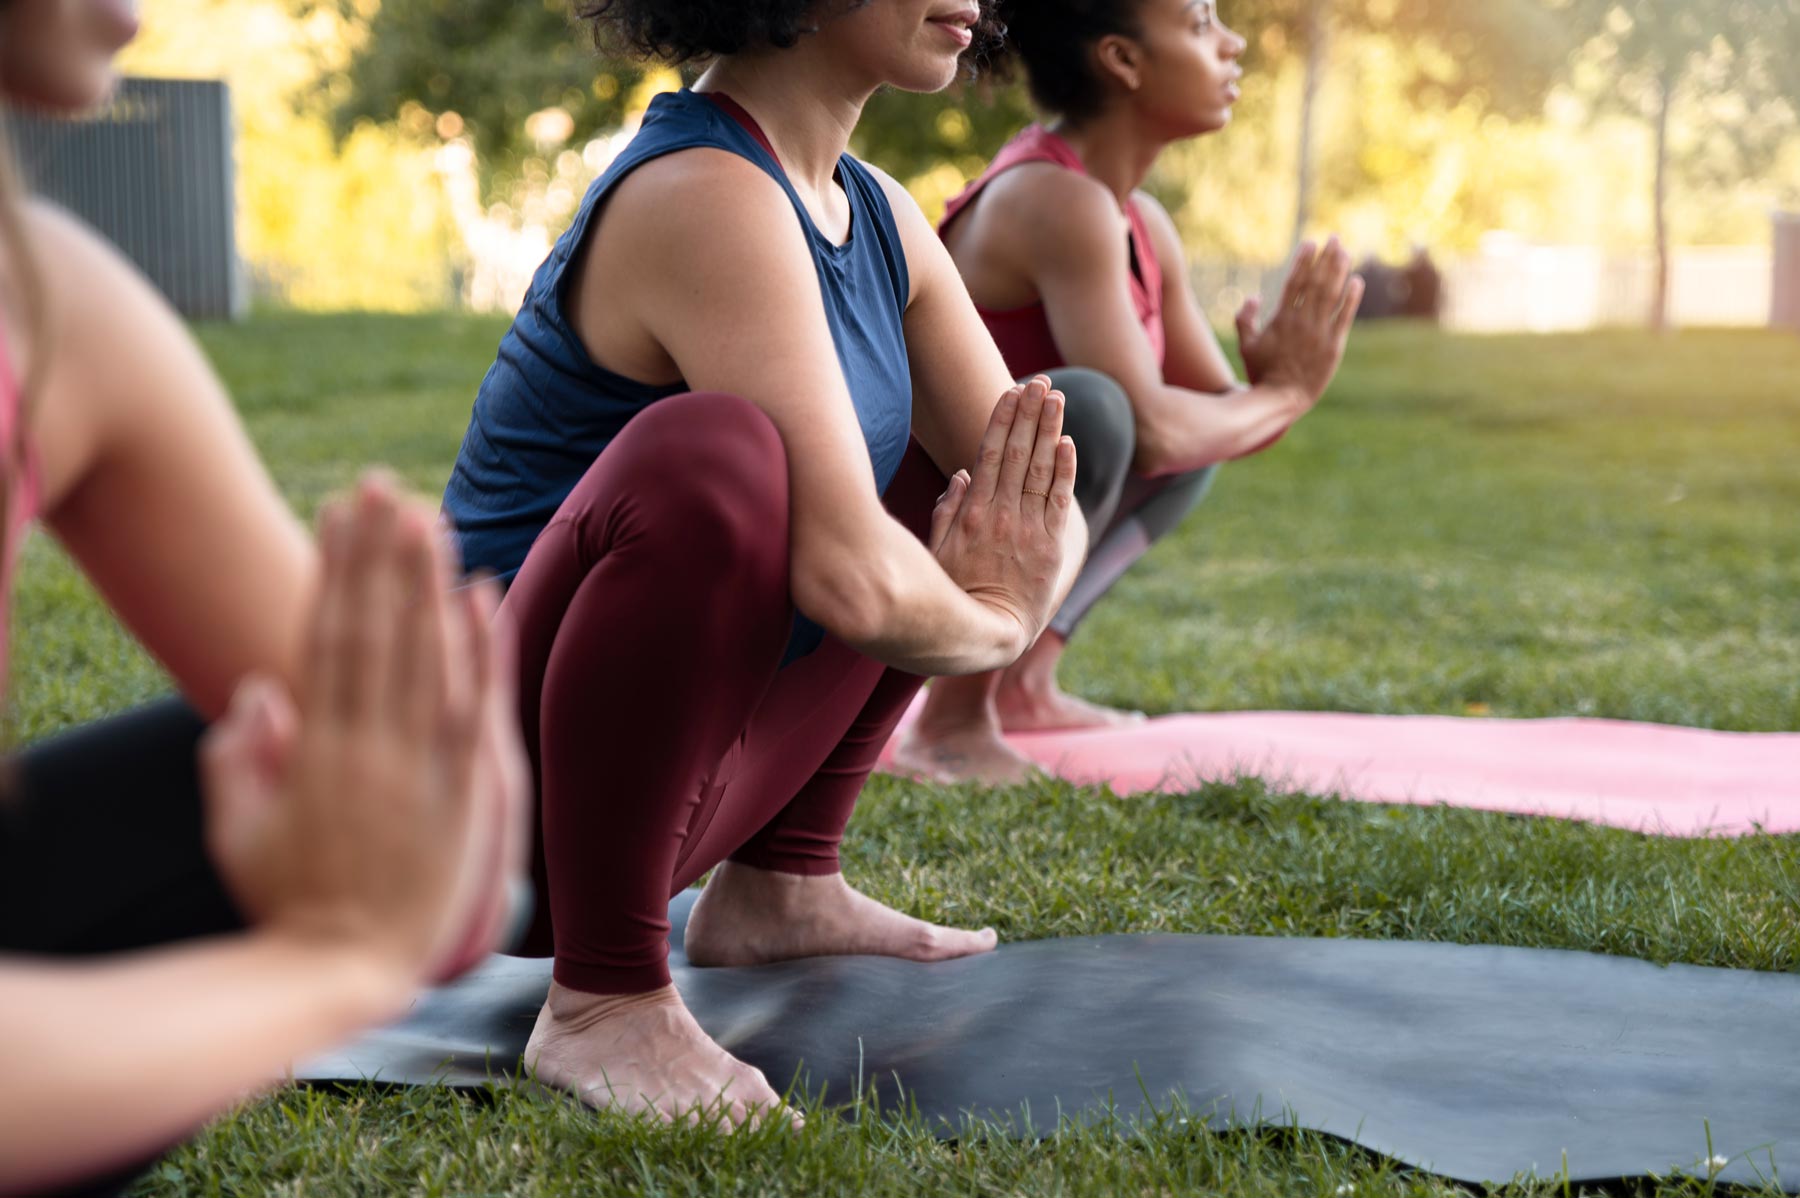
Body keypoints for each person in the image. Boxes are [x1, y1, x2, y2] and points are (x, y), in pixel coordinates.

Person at [441, 0, 1092, 1128]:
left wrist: (1012, 579)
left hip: (655, 806)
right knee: (716, 456)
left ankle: (782, 882)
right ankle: (603, 1000)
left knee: (955, 473)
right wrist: (998, 617)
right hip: (472, 820)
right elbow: (849, 575)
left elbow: (1035, 497)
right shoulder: (700, 193)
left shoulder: (879, 213)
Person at [0, 1, 530, 1192]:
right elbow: (388, 925)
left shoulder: (58, 304)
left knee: (301, 751)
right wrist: (330, 958)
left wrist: (432, 804)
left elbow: (443, 868)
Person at [895, 0, 1365, 783]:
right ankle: (948, 722)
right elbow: (1152, 428)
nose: (1232, 42)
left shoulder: (1137, 218)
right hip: (917, 511)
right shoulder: (1055, 198)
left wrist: (1271, 390)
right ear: (1124, 61)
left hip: (991, 500)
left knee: (1169, 442)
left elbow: (1215, 426)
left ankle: (1025, 686)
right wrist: (1283, 394)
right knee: (1095, 415)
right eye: (1200, 22)